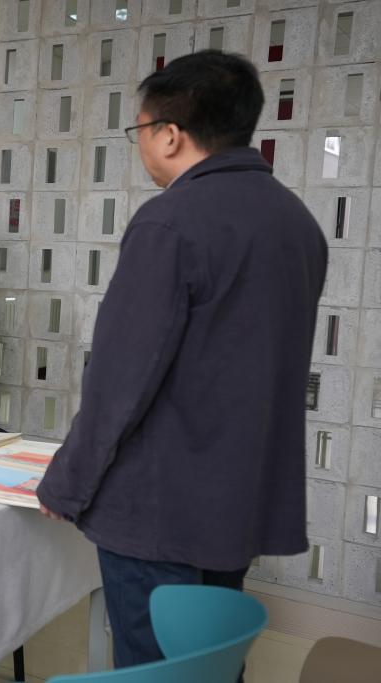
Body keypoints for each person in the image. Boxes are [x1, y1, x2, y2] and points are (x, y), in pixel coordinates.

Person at [35, 51, 328, 670]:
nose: (141, 144)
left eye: (140, 129)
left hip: (157, 509)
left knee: (156, 668)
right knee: (211, 663)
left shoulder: (170, 221)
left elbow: (120, 380)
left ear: (170, 134)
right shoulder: (295, 223)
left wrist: (66, 483)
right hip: (234, 504)